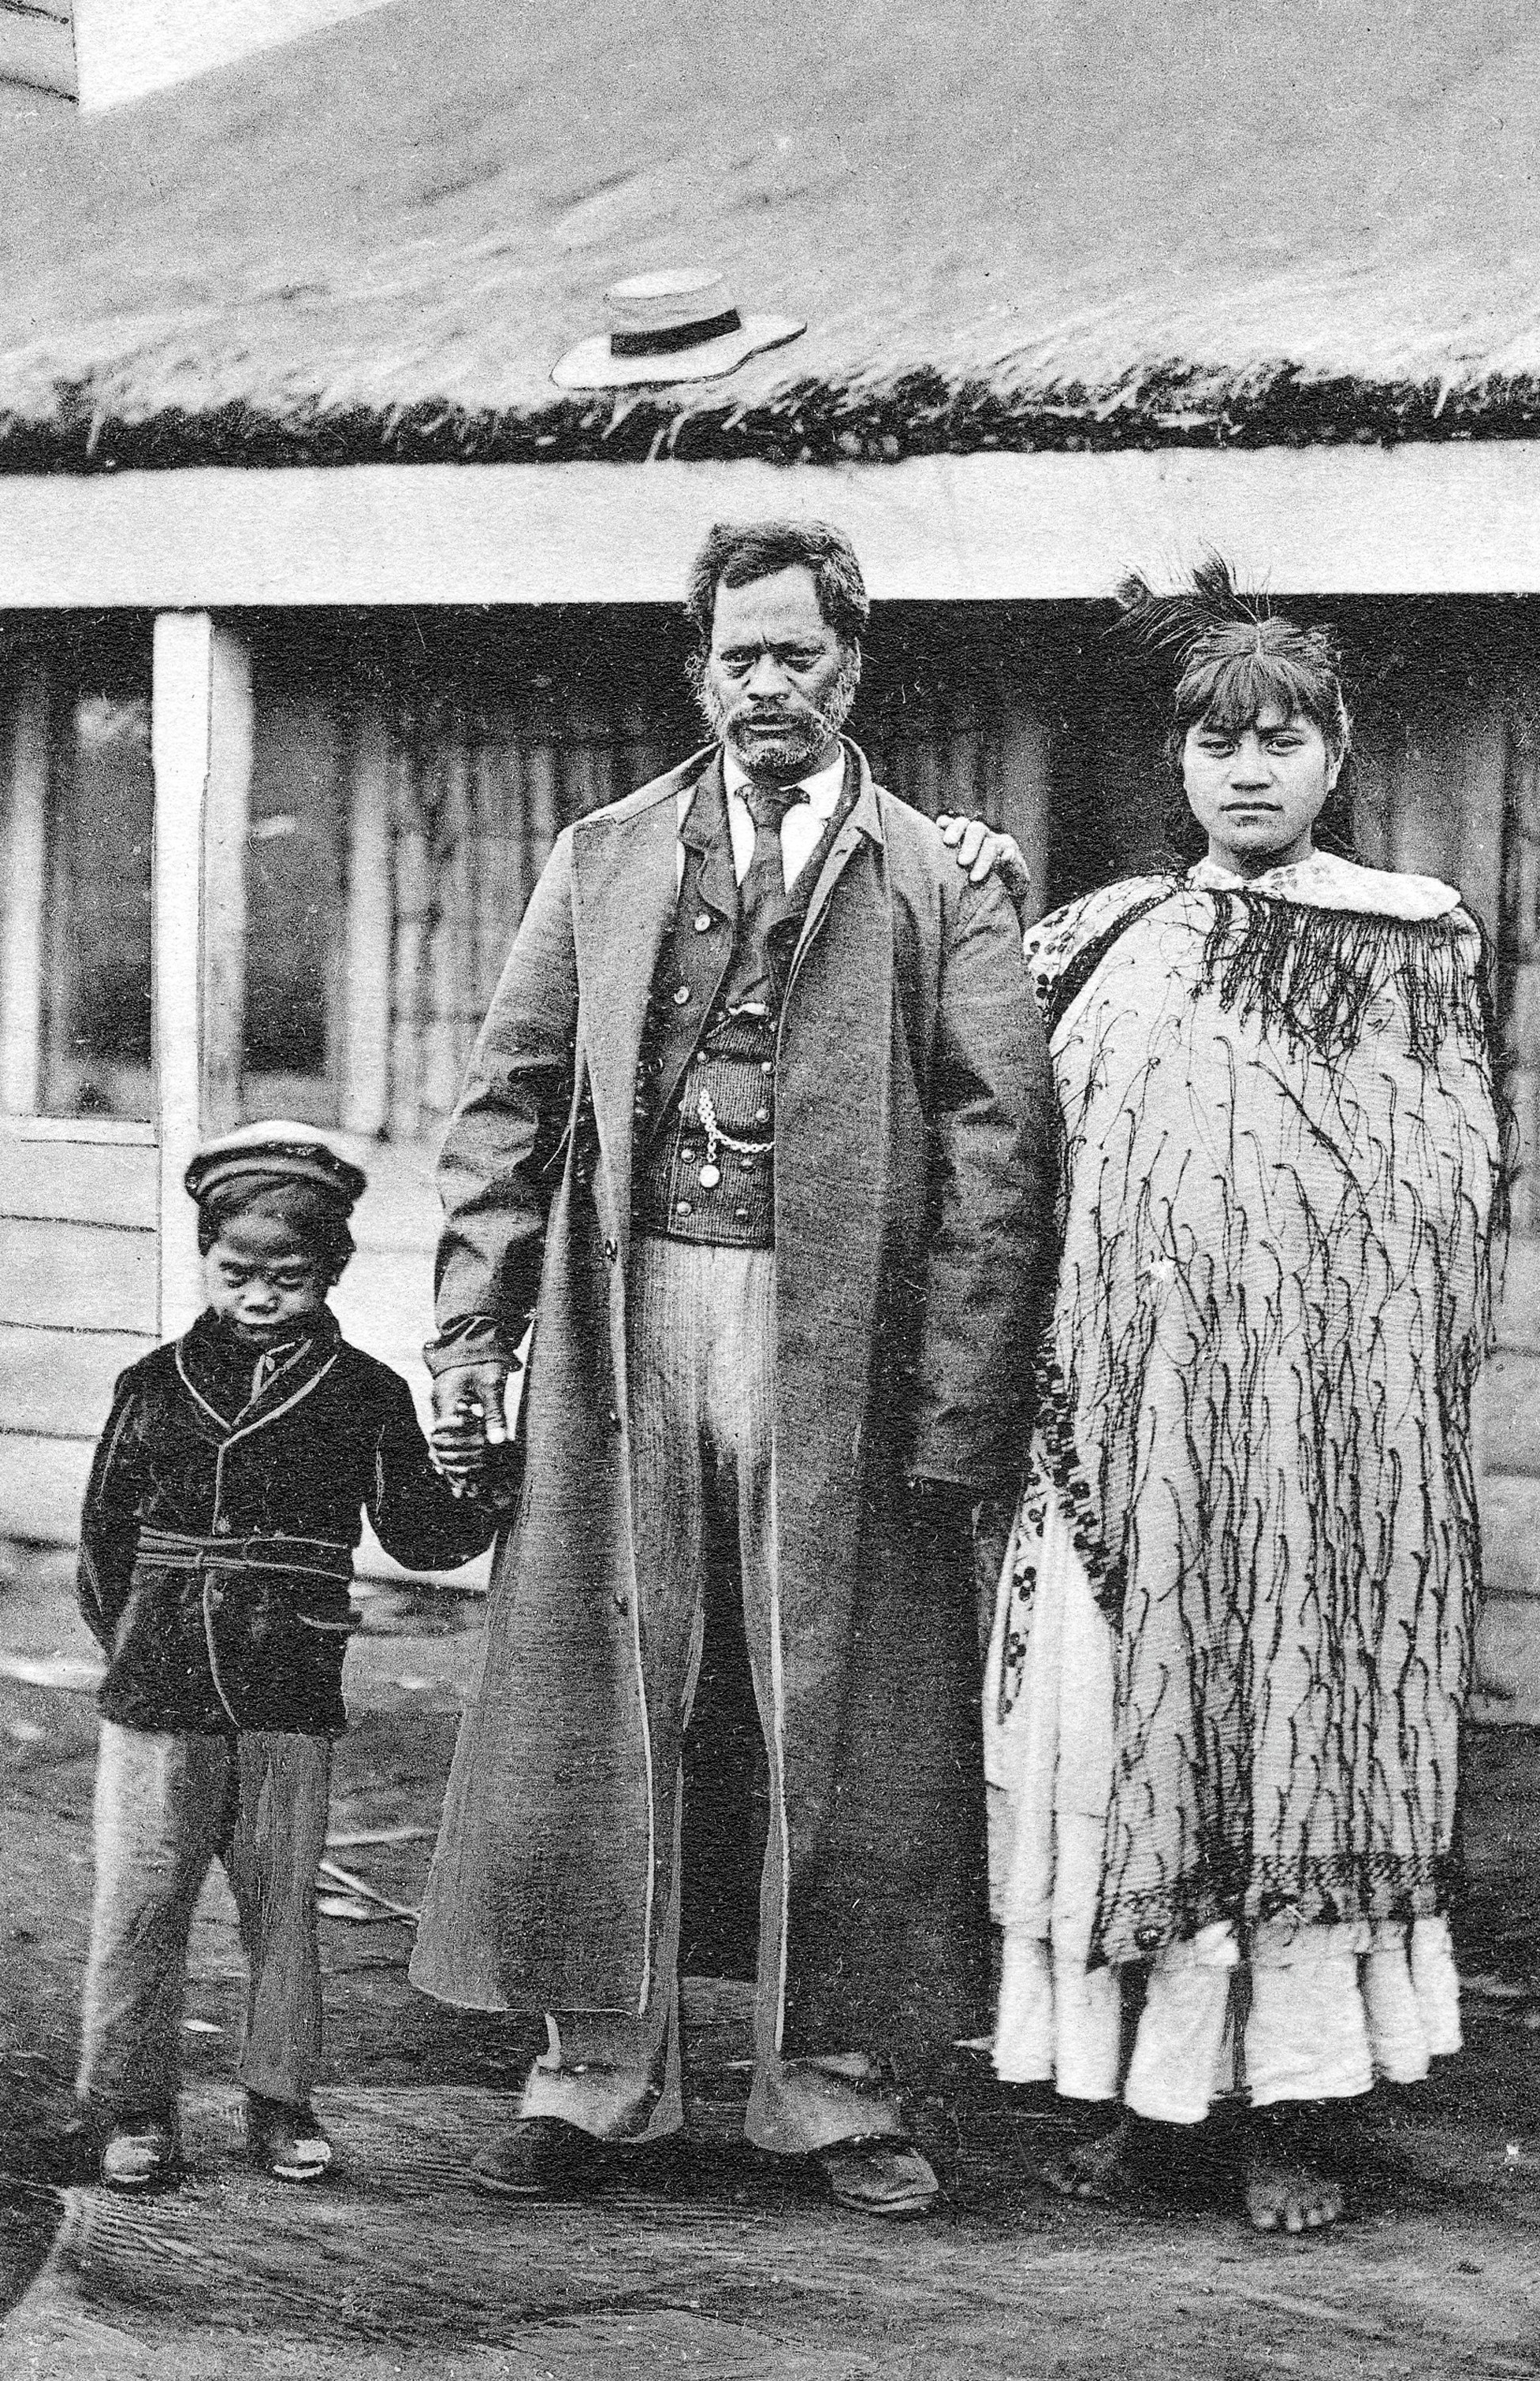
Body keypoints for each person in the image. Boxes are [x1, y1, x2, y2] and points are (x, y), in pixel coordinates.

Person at [409, 518, 1056, 2217]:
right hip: (628, 1323)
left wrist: (960, 1400)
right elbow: (505, 1104)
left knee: (836, 1698)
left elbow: (998, 1152)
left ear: (854, 665)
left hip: (842, 1343)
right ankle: (590, 2073)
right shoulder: (605, 856)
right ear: (699, 669)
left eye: (797, 653)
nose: (767, 683)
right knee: (607, 1680)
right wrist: (475, 1328)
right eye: (738, 653)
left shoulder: (941, 878)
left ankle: (830, 2085)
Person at [984, 563, 1506, 2234]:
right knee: (1120, 1729)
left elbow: (1438, 1185)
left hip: (1322, 1440)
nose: (1248, 770)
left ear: (1335, 754)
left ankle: (1294, 2110)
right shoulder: (1100, 940)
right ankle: (1151, 2104)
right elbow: (1028, 1151)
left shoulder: (1404, 939)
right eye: (1216, 742)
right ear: (1177, 759)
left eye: (1281, 740)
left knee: (1294, 1728)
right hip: (1122, 1425)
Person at [75, 1122, 503, 2190]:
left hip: (287, 1683)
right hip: (157, 1685)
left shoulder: (366, 1393)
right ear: (205, 1258)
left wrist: (481, 1475)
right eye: (237, 1273)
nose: (261, 1296)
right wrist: (138, 1642)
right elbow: (101, 1546)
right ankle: (134, 2108)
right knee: (140, 1904)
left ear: (334, 1271)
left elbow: (424, 1538)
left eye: (290, 1277)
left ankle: (280, 2103)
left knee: (282, 1912)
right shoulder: (150, 1383)